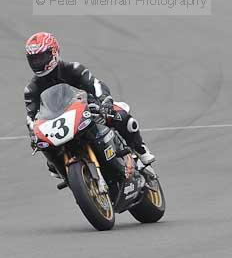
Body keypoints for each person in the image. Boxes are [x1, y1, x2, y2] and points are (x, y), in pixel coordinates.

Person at [24, 32, 155, 181]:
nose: (37, 62)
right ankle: (67, 173)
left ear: (54, 52)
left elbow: (95, 85)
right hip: (59, 122)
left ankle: (141, 150)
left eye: (41, 57)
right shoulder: (31, 89)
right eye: (33, 59)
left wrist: (105, 101)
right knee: (46, 153)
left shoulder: (72, 68)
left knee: (123, 117)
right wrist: (34, 133)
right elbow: (31, 117)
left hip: (88, 109)